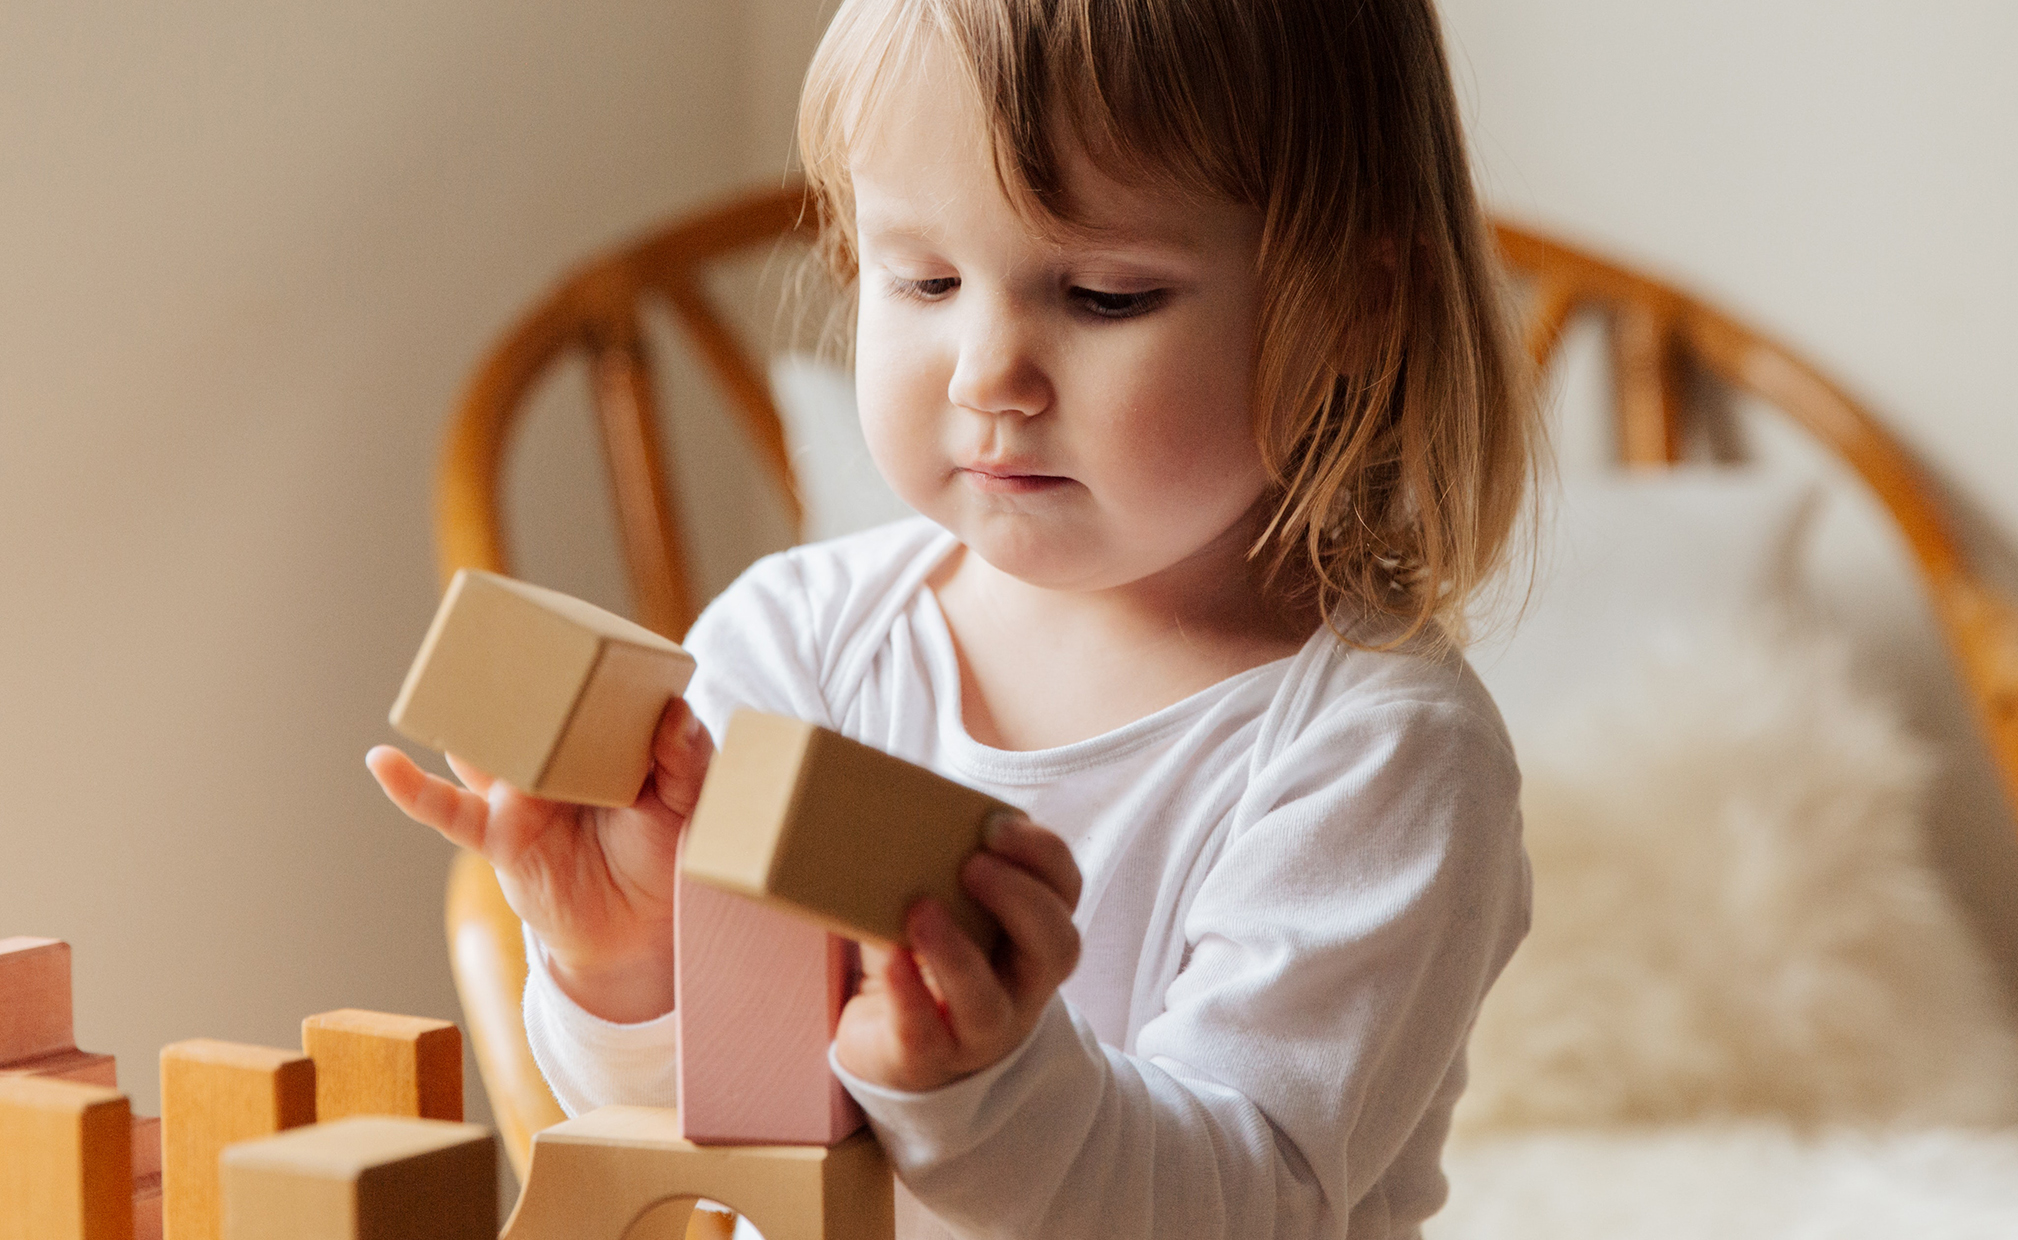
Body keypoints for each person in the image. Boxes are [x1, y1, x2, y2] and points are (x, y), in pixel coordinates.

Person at [369, 0, 1536, 1233]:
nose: (987, 373)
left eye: (1104, 294)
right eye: (923, 277)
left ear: (1349, 306)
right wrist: (630, 965)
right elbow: (719, 1152)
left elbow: (1240, 1203)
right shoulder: (795, 640)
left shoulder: (1381, 756)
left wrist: (990, 1089)